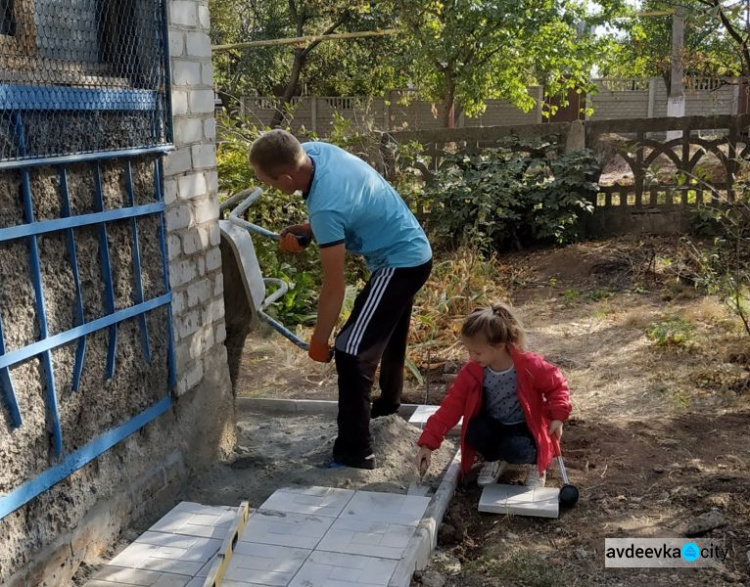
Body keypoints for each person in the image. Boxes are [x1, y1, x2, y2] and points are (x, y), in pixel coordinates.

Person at [249, 130, 432, 470]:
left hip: (400, 262)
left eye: (271, 183)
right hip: (411, 251)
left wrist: (319, 339)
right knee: (383, 336)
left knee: (350, 353)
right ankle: (387, 411)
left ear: (288, 176)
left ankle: (355, 453)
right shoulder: (316, 152)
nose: (273, 188)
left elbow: (334, 286)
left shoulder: (325, 206)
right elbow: (342, 208)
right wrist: (308, 230)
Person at [415, 303, 571, 487]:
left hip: (526, 427)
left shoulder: (528, 366)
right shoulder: (472, 372)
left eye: (477, 352)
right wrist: (427, 444)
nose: (471, 356)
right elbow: (450, 408)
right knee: (474, 431)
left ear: (498, 346)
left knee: (515, 450)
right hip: (494, 424)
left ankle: (537, 465)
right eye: (469, 350)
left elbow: (558, 385)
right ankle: (494, 460)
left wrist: (558, 415)